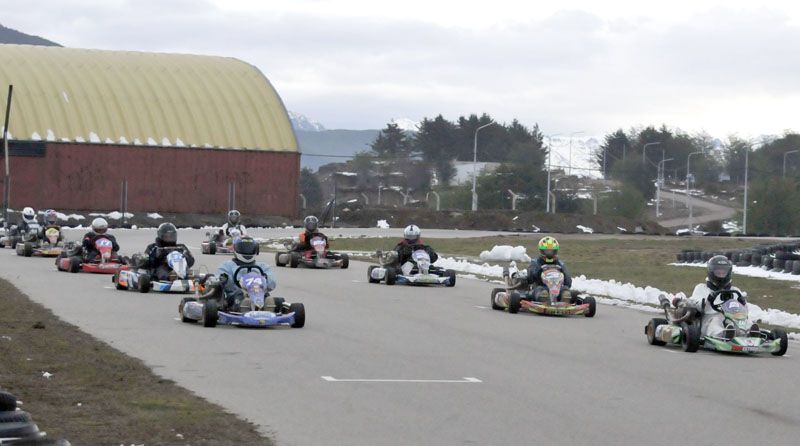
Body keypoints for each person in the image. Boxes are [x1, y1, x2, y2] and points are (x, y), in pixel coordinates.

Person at [673, 255, 753, 339]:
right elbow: (698, 307)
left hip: (732, 318)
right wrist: (709, 299)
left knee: (744, 321)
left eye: (723, 273)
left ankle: (751, 333)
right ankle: (722, 334)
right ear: (711, 272)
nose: (721, 275)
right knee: (716, 320)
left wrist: (743, 303)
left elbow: (744, 312)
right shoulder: (701, 288)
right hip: (708, 319)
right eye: (718, 273)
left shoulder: (735, 290)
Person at [216, 236, 277, 311]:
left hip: (259, 293)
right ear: (236, 248)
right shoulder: (226, 266)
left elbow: (272, 284)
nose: (247, 251)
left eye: (249, 248)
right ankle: (244, 307)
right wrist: (224, 279)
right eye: (243, 248)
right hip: (235, 295)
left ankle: (268, 308)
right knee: (240, 295)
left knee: (269, 298)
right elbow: (219, 280)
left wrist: (265, 278)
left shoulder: (262, 266)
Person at [524, 236, 573, 302]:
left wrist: (563, 273)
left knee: (565, 290)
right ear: (542, 251)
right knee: (541, 291)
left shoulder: (560, 264)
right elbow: (530, 278)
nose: (549, 253)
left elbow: (568, 282)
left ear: (555, 251)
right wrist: (539, 271)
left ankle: (565, 298)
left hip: (557, 288)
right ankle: (543, 298)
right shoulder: (535, 262)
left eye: (551, 251)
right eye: (547, 251)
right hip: (540, 286)